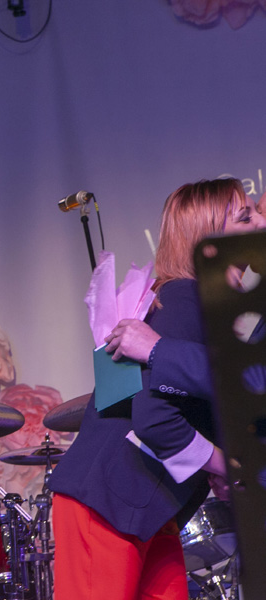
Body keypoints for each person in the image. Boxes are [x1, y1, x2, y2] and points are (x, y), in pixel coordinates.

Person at [48, 178, 263, 600]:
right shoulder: (185, 298)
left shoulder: (201, 305)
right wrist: (226, 466)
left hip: (147, 508)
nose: (261, 221)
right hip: (108, 502)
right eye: (246, 216)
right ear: (208, 239)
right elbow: (155, 419)